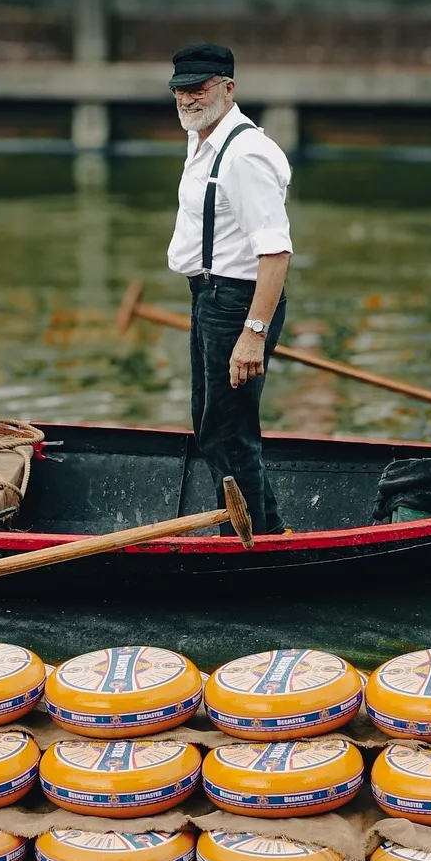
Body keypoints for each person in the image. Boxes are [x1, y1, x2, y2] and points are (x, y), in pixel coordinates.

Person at [165, 42, 293, 535]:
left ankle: (254, 541)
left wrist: (253, 334)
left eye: (198, 89)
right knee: (212, 425)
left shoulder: (244, 155)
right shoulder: (202, 138)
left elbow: (275, 252)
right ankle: (265, 529)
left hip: (237, 303)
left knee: (228, 432)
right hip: (208, 296)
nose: (187, 99)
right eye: (180, 90)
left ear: (228, 88)